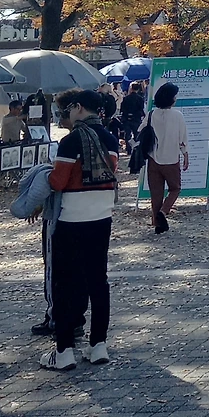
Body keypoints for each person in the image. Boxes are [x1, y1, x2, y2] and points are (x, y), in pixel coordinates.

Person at [44, 90, 117, 370]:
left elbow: (58, 181)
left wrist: (45, 174)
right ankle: (98, 344)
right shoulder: (110, 139)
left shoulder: (71, 141)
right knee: (97, 280)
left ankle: (63, 351)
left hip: (71, 218)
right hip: (101, 215)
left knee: (65, 282)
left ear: (77, 108)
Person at [146, 82, 189, 235]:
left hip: (153, 158)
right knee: (175, 188)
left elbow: (140, 132)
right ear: (171, 98)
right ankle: (163, 212)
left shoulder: (151, 114)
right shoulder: (177, 116)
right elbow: (182, 138)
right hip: (171, 158)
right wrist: (185, 154)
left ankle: (157, 223)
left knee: (156, 192)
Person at [119, 80, 147, 150]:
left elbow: (122, 108)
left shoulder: (126, 98)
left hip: (126, 118)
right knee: (136, 134)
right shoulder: (140, 99)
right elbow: (141, 108)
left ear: (131, 88)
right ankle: (136, 148)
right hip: (136, 118)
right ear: (138, 89)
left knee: (127, 134)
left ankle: (128, 148)